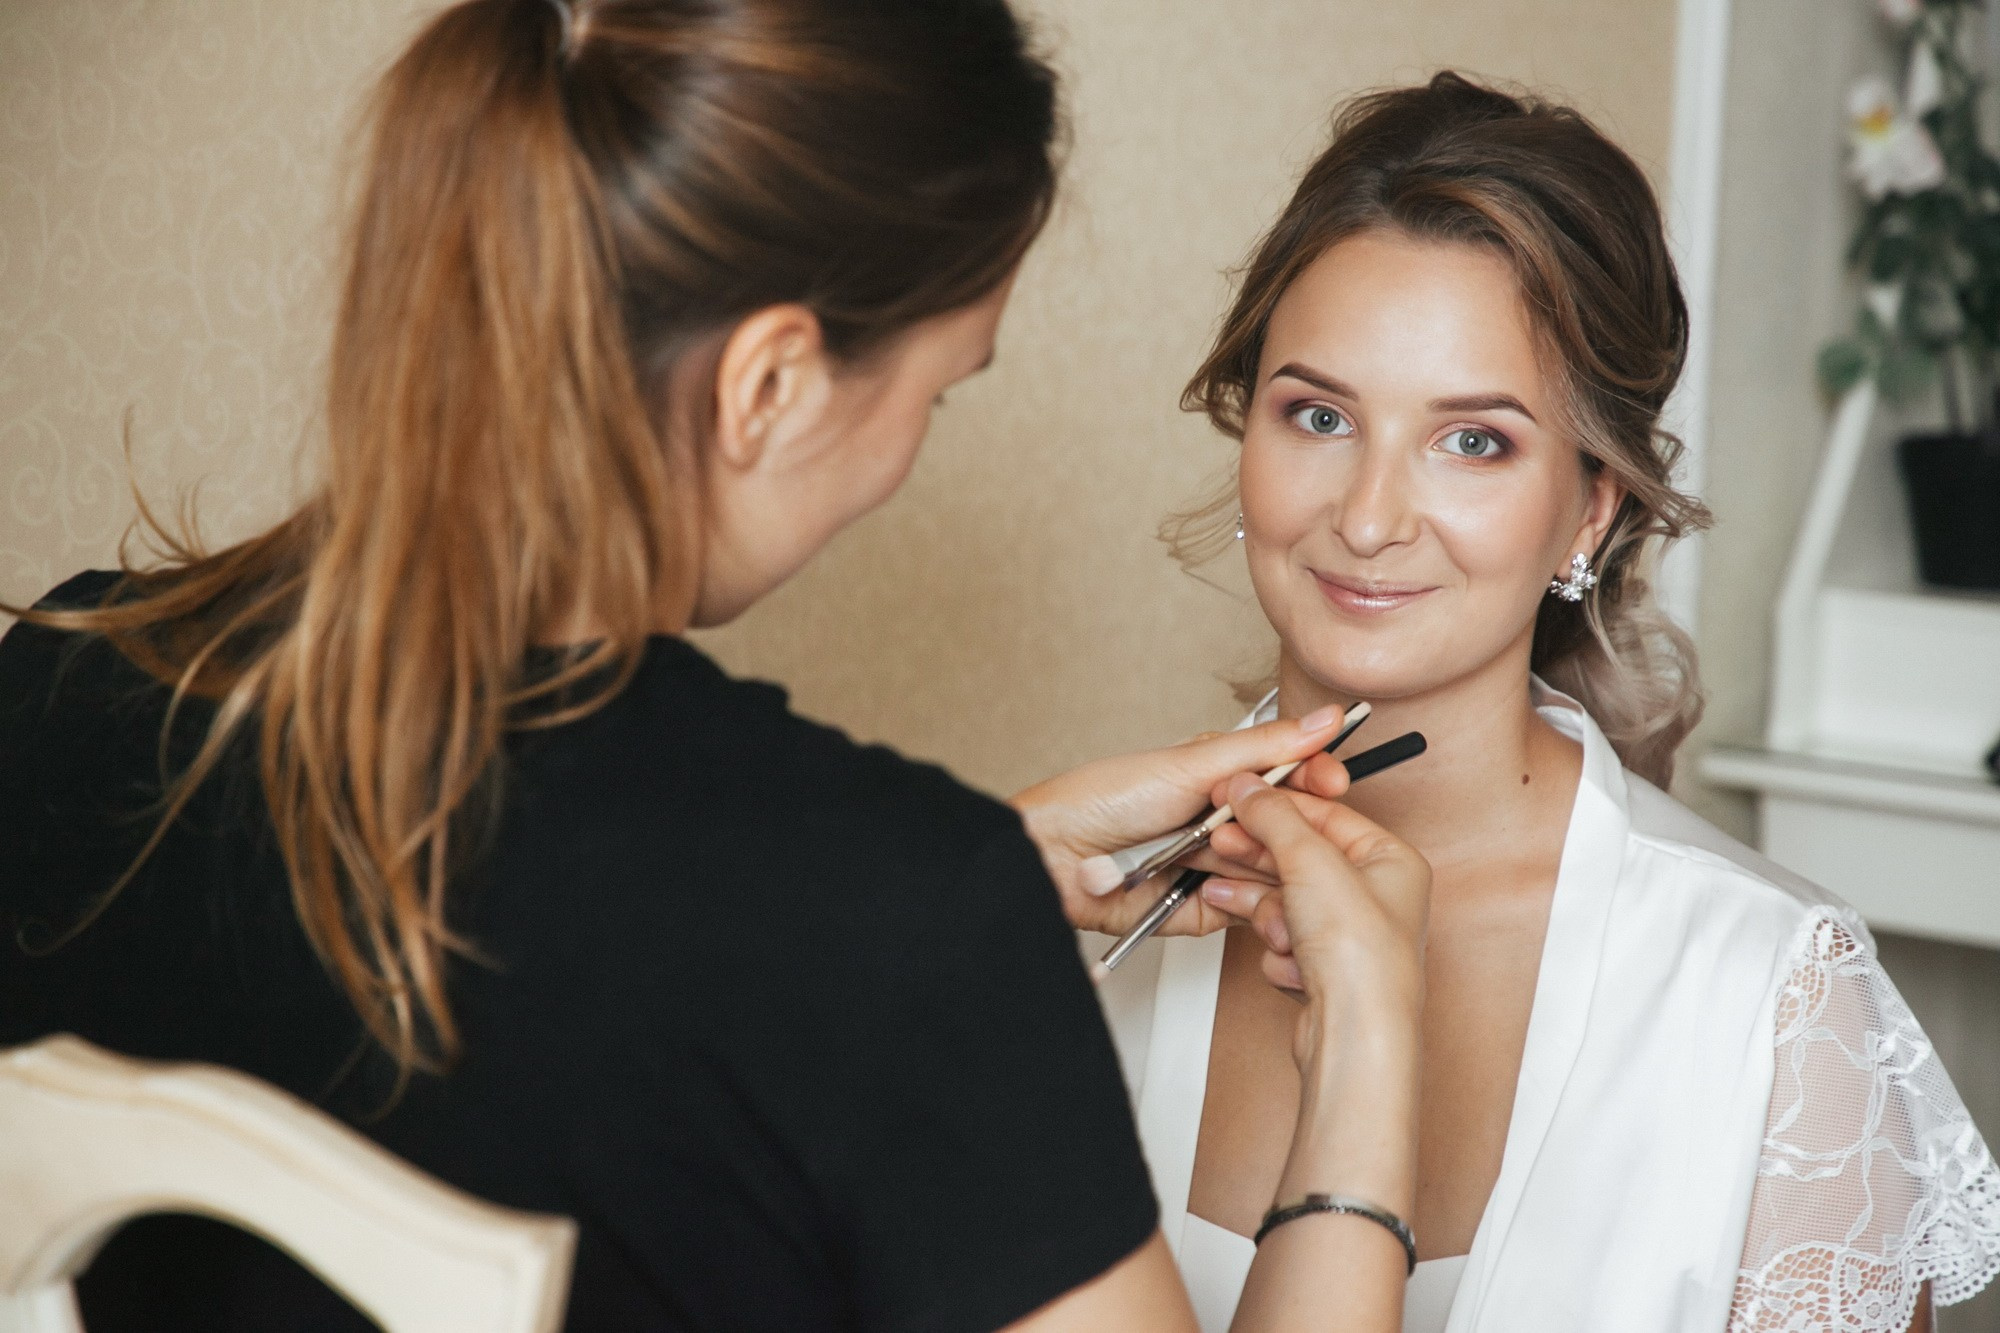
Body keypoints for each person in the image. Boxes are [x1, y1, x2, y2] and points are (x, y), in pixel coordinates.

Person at [0, 1, 1434, 1330]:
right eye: (937, 391)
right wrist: (1368, 1057)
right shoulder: (902, 932)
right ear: (768, 386)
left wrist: (953, 879)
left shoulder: (66, 685)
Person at [1084, 72, 2000, 1333]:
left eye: (1472, 440)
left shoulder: (1767, 997)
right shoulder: (1077, 906)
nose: (1366, 517)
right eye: (1317, 414)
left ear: (1588, 509)